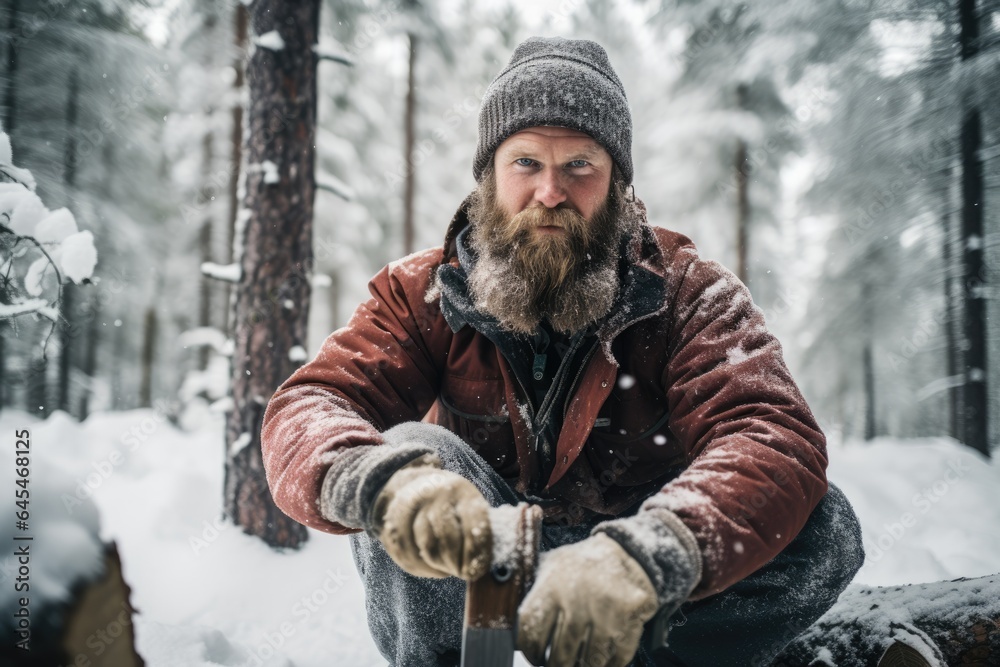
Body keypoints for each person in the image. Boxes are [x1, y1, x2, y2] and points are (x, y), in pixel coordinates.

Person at [260, 36, 865, 667]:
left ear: (619, 186)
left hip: (629, 581)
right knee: (415, 454)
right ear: (488, 178)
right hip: (478, 562)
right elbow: (311, 402)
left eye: (580, 165)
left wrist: (650, 554)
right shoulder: (420, 292)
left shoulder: (691, 292)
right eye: (525, 162)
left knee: (823, 530)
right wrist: (379, 484)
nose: (551, 191)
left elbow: (771, 433)